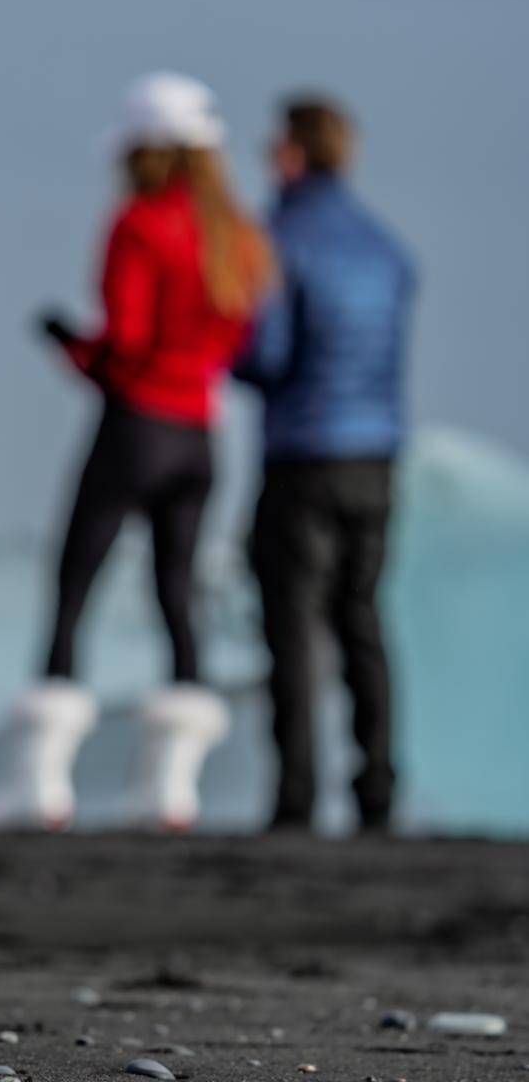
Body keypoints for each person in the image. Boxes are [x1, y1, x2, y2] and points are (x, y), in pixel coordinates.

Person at [0, 74, 274, 831]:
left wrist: (67, 346)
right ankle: (170, 789)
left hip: (134, 425)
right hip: (200, 436)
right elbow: (237, 342)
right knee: (176, 591)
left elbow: (125, 343)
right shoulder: (239, 238)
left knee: (75, 578)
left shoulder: (138, 224)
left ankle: (42, 785)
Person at [234, 95, 416, 833]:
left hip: (303, 454)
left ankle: (296, 797)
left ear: (293, 153)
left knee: (292, 622)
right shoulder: (386, 247)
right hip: (375, 454)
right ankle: (377, 789)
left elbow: (268, 354)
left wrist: (232, 360)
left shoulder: (279, 239)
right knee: (361, 618)